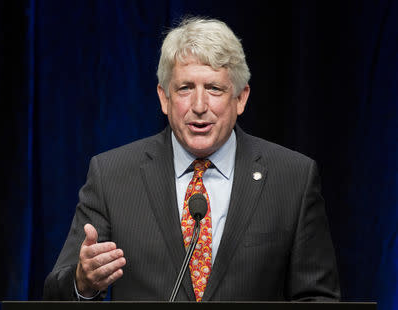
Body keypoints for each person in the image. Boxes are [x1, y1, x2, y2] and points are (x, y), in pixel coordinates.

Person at [43, 16, 340, 302]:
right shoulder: (112, 175)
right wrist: (83, 282)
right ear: (164, 97)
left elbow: (318, 297)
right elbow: (57, 293)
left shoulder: (293, 178)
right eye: (185, 88)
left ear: (240, 98)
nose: (199, 106)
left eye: (214, 88)